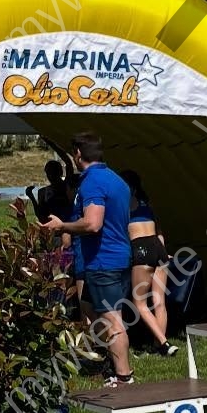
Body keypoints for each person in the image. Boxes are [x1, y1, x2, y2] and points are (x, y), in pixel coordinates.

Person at [39, 134, 135, 387]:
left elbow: (93, 223)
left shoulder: (92, 182)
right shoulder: (117, 180)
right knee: (93, 313)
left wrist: (63, 226)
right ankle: (106, 363)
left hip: (104, 262)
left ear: (78, 154)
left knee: (112, 319)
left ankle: (125, 377)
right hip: (114, 258)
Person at [122, 171, 178, 356]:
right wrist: (164, 252)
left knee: (139, 303)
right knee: (159, 301)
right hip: (157, 247)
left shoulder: (123, 205)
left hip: (141, 249)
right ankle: (158, 346)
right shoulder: (147, 204)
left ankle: (163, 343)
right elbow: (159, 229)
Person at [27, 159, 73, 224]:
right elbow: (41, 216)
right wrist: (31, 197)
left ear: (60, 172)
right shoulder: (43, 192)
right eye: (49, 173)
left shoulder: (68, 186)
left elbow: (68, 163)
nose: (50, 176)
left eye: (53, 172)